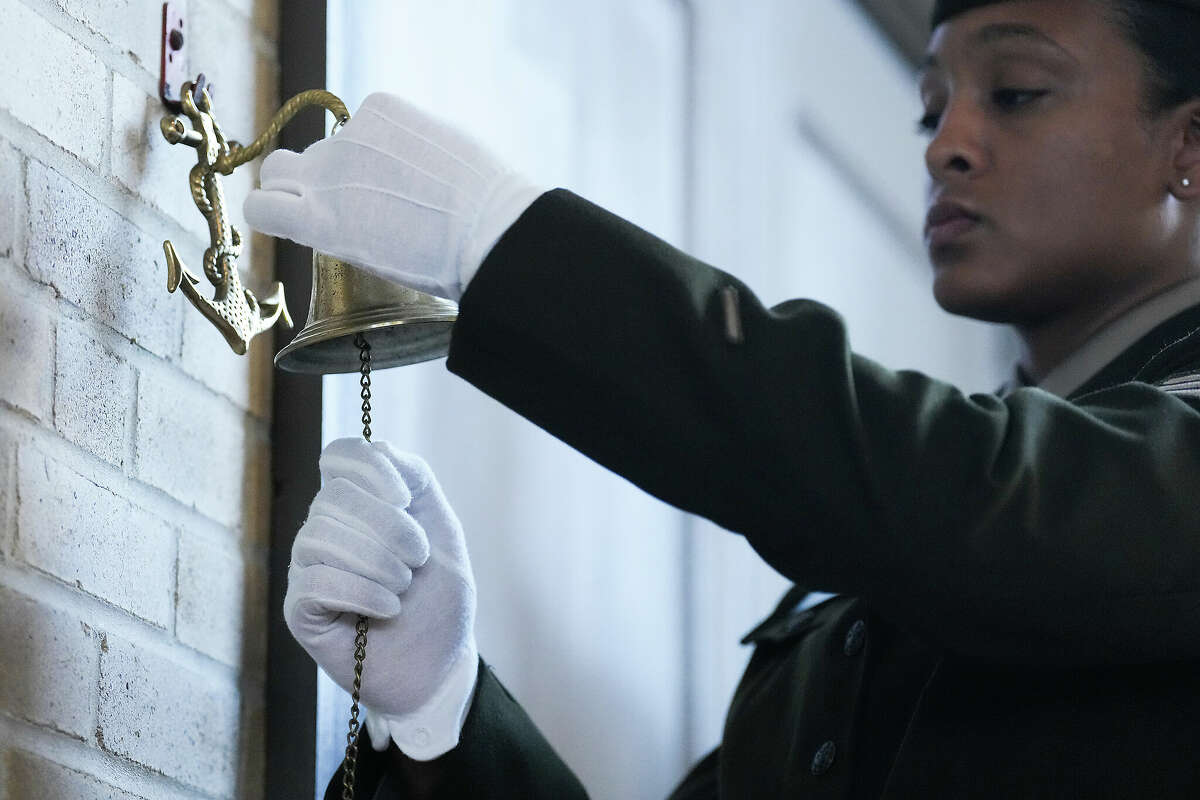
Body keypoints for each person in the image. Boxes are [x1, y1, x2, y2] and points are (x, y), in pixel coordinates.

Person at [246, 0, 1200, 796]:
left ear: (1189, 145)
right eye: (931, 111)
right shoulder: (865, 591)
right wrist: (440, 713)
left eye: (1018, 93)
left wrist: (508, 244)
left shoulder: (980, 504)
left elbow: (975, 505)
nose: (946, 144)